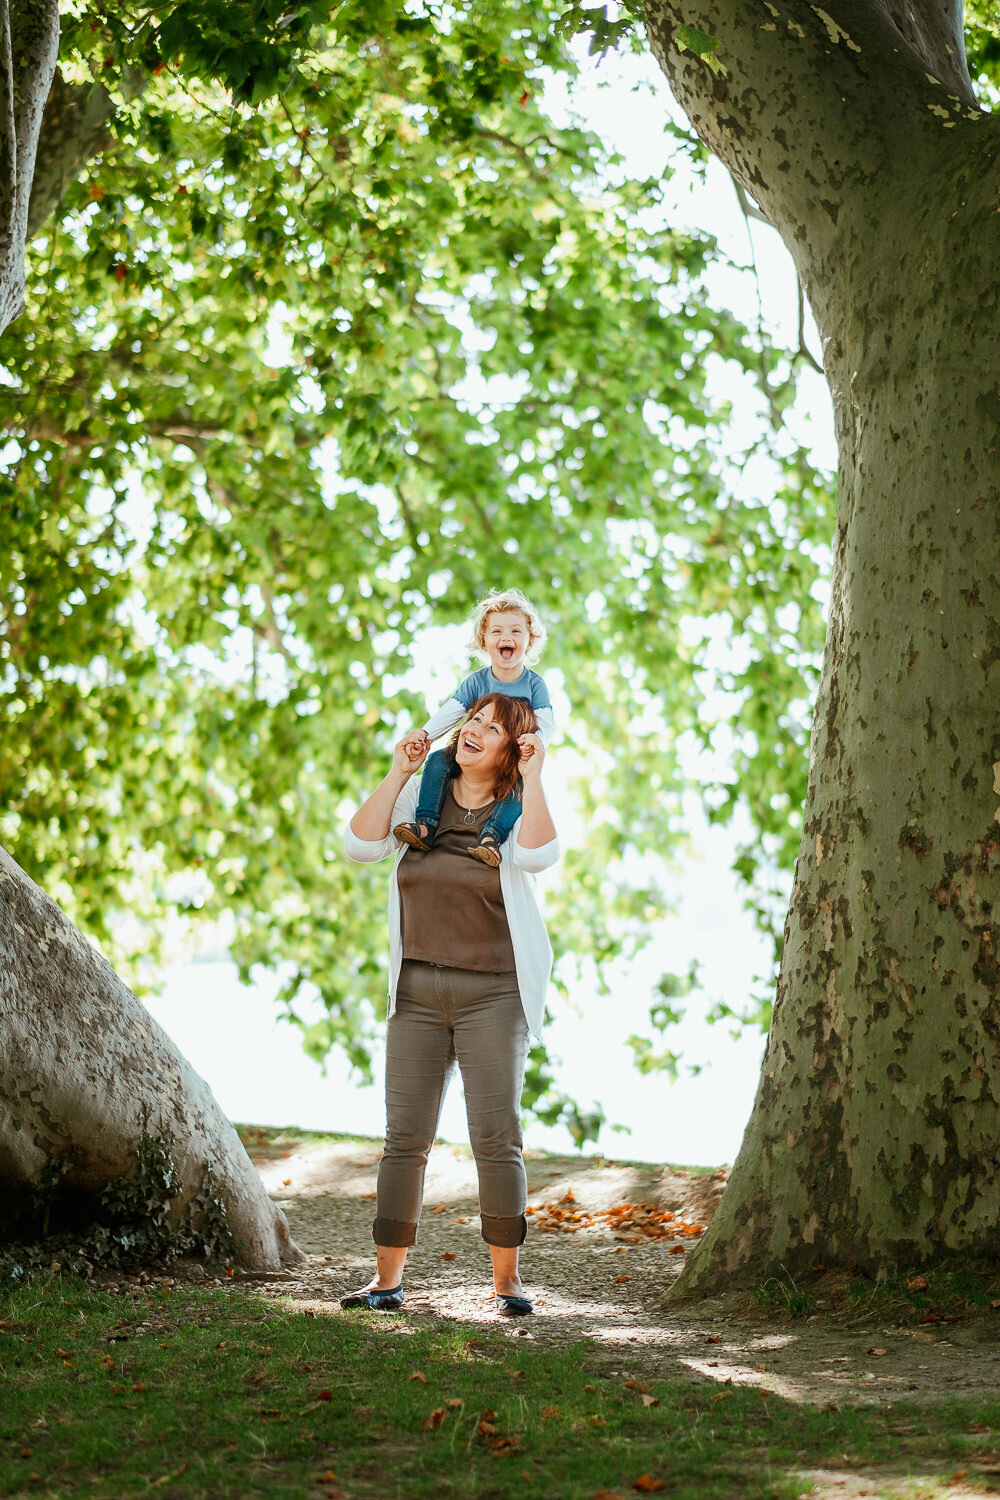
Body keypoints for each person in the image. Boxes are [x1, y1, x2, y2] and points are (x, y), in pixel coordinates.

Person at [341, 692, 559, 1316]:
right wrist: (398, 772)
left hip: (493, 994)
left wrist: (537, 774)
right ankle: (386, 1282)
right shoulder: (421, 800)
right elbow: (360, 845)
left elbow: (542, 857)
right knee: (403, 1140)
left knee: (497, 1140)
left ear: (509, 751)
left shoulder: (515, 809)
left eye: (493, 729)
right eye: (473, 721)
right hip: (413, 991)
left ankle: (508, 1283)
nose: (474, 732)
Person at [392, 588, 553, 867]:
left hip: (511, 758)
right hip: (476, 752)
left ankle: (491, 836)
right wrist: (425, 736)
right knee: (437, 761)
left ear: (529, 641)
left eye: (516, 631)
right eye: (497, 632)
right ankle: (426, 824)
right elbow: (452, 711)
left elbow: (545, 722)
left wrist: (535, 746)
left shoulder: (534, 684)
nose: (507, 637)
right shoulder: (476, 682)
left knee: (519, 787)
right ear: (484, 641)